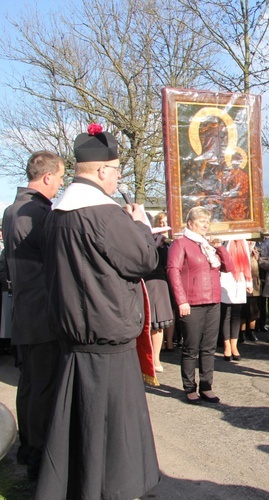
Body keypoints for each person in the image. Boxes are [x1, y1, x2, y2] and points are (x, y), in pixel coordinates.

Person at [37, 124, 160, 499]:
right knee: (111, 435)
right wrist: (142, 226)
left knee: (81, 431)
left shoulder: (57, 212)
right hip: (106, 340)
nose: (117, 178)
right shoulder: (104, 215)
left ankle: (82, 486)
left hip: (75, 339)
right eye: (117, 171)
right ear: (102, 170)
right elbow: (144, 260)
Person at [1, 151, 65, 480]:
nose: (61, 185)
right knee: (42, 387)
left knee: (28, 385)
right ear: (47, 177)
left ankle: (28, 449)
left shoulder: (11, 210)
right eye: (60, 178)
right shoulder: (39, 212)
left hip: (24, 310)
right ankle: (39, 458)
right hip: (42, 312)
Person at [167, 206, 233, 404]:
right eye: (201, 221)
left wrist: (220, 247)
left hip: (213, 301)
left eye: (207, 221)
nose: (206, 224)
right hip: (192, 302)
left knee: (209, 347)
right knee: (191, 348)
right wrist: (181, 300)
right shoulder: (181, 244)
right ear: (190, 223)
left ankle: (207, 386)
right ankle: (189, 388)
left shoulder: (208, 246)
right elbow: (173, 271)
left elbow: (229, 267)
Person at [145, 222, 174, 373]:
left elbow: (166, 263)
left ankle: (156, 358)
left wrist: (160, 245)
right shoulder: (137, 239)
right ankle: (145, 357)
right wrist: (154, 244)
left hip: (158, 281)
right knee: (145, 323)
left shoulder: (163, 244)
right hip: (142, 282)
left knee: (158, 323)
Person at [219, 239, 252, 360]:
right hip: (226, 277)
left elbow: (247, 261)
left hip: (240, 277)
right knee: (226, 314)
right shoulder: (224, 240)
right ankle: (226, 345)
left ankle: (234, 345)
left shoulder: (242, 240)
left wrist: (249, 282)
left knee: (236, 315)